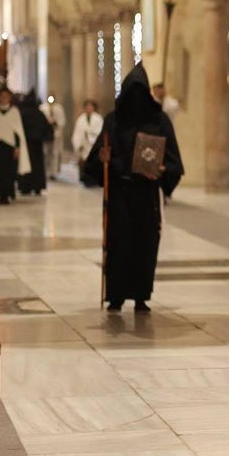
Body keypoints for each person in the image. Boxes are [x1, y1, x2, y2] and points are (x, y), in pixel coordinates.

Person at [83, 63, 183, 313]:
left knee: (144, 244)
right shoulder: (113, 121)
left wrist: (162, 170)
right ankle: (115, 294)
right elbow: (94, 160)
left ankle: (141, 295)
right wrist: (102, 159)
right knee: (118, 244)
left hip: (146, 194)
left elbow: (174, 162)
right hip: (119, 192)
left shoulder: (159, 121)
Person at [0, 87, 30, 204]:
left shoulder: (14, 112)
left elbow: (18, 132)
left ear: (9, 98)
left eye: (6, 97)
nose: (4, 99)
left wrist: (17, 148)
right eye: (2, 96)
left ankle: (6, 194)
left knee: (8, 172)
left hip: (9, 146)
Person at [16, 90, 51, 195]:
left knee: (25, 163)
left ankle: (25, 186)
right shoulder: (39, 113)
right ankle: (37, 186)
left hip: (25, 144)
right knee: (37, 166)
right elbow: (47, 128)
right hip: (37, 145)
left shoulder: (21, 113)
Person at [72, 99, 104, 186]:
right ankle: (85, 179)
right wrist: (78, 144)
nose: (89, 108)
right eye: (87, 107)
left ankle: (94, 180)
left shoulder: (98, 119)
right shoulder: (81, 119)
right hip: (84, 145)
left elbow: (100, 132)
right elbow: (77, 133)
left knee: (94, 163)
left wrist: (90, 134)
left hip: (93, 145)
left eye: (91, 107)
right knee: (84, 163)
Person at [39, 94, 67, 179]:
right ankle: (45, 171)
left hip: (56, 133)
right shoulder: (42, 108)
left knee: (54, 153)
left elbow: (62, 122)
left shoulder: (59, 108)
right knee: (45, 152)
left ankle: (53, 172)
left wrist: (55, 121)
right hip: (45, 134)